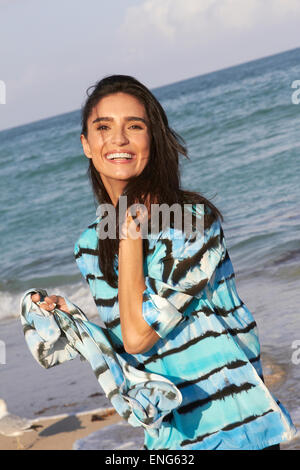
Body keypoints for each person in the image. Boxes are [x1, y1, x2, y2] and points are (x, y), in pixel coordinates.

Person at [28, 75, 296, 450]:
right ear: (87, 145)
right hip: (170, 438)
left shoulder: (192, 222)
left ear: (152, 140)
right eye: (104, 126)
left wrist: (130, 237)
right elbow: (131, 347)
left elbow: (140, 336)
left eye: (134, 126)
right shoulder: (90, 245)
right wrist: (76, 324)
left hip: (236, 427)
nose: (119, 139)